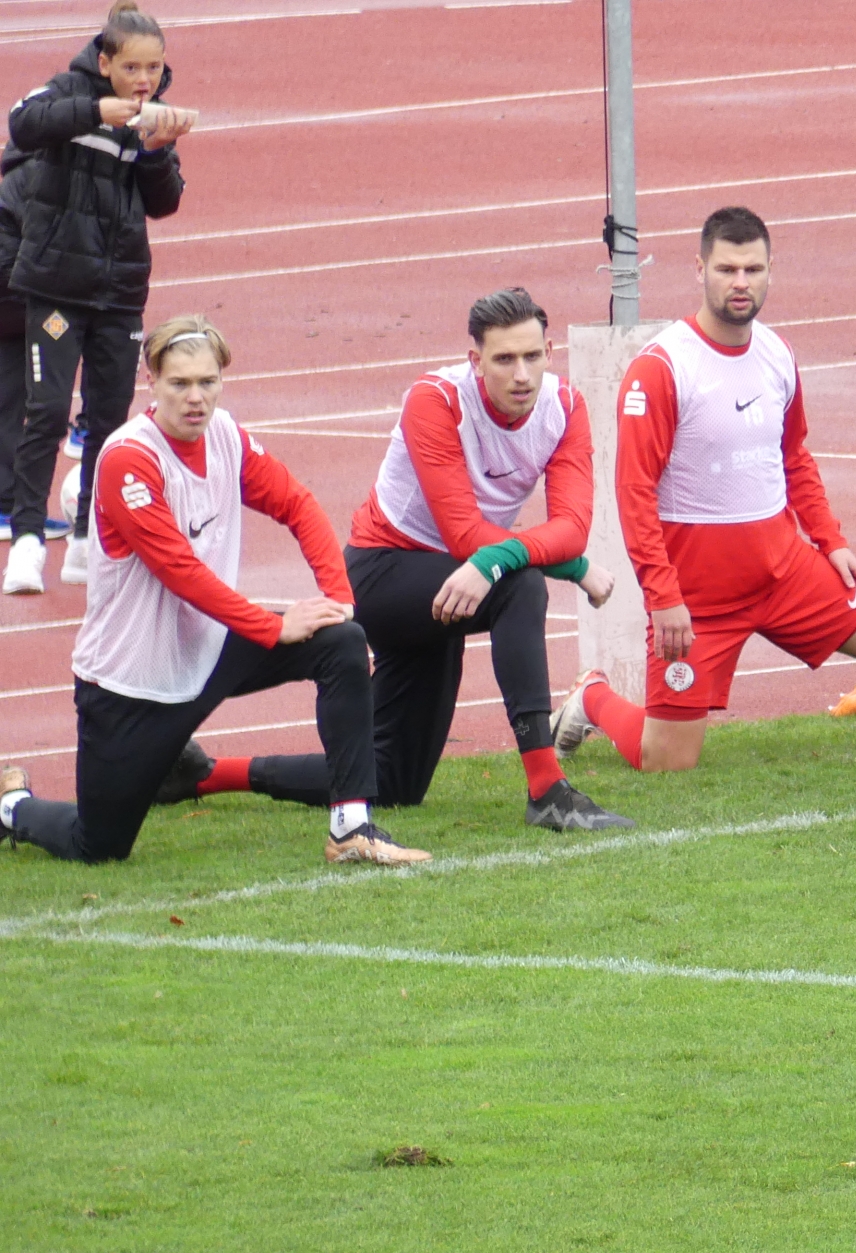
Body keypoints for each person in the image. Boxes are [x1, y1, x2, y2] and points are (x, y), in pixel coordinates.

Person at [550, 206, 856, 772]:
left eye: (753, 269)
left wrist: (832, 542)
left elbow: (794, 457)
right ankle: (593, 696)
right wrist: (665, 598)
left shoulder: (776, 354)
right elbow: (633, 494)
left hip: (786, 573)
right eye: (727, 269)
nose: (740, 283)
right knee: (666, 760)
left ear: (771, 270)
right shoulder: (662, 368)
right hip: (698, 597)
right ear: (698, 269)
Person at [0, 317, 428, 865]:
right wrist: (273, 626)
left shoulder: (225, 433)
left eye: (208, 381)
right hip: (134, 682)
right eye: (180, 383)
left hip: (211, 647)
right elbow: (179, 570)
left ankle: (351, 828)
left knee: (340, 640)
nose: (196, 397)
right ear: (152, 381)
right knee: (99, 845)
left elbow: (297, 503)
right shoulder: (130, 459)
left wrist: (338, 597)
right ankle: (14, 805)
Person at [342, 287, 630, 831]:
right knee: (520, 586)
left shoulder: (564, 407)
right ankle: (547, 789)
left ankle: (207, 775)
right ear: (476, 361)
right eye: (503, 359)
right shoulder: (435, 399)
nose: (522, 374)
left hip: (461, 580)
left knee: (390, 781)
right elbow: (461, 533)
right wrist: (569, 568)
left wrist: (502, 559)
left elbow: (571, 529)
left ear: (550, 350)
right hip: (383, 571)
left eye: (533, 356)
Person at [3, 1, 193, 595]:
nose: (144, 80)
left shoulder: (150, 113)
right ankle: (28, 542)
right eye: (133, 67)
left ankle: (88, 540)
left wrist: (158, 149)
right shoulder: (66, 92)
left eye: (155, 68)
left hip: (120, 292)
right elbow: (23, 124)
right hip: (57, 287)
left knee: (108, 424)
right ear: (105, 61)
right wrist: (94, 112)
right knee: (48, 410)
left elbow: (163, 204)